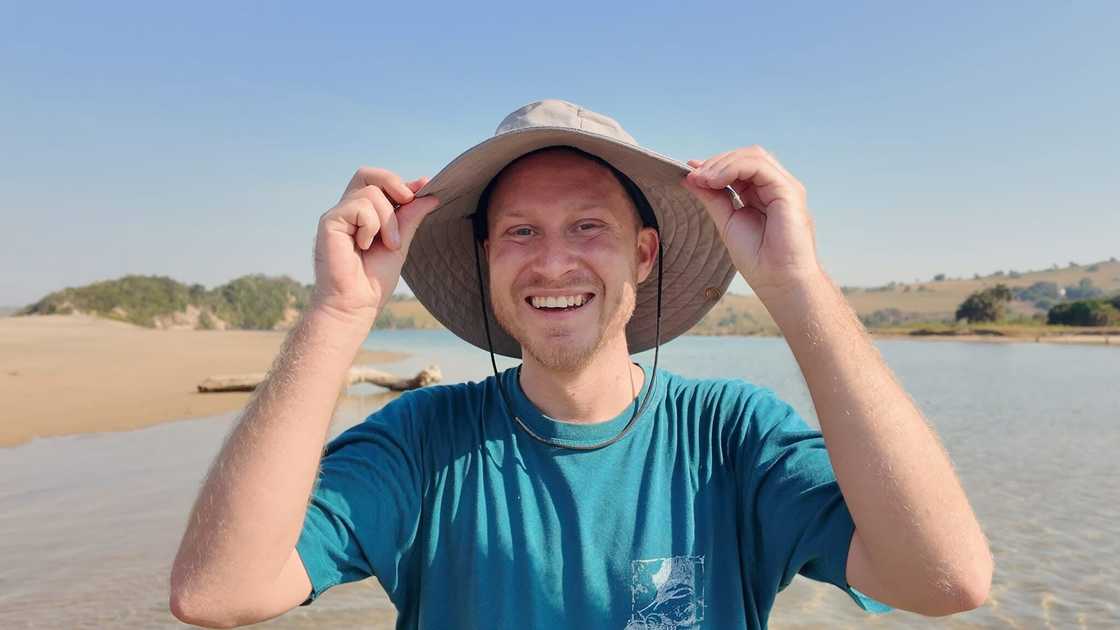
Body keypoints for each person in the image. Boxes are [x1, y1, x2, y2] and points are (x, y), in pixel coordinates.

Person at [170, 100, 992, 629]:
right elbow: (218, 591)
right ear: (486, 258)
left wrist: (798, 286)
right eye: (520, 232)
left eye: (588, 227)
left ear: (643, 254)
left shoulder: (732, 438)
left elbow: (945, 579)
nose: (552, 263)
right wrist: (336, 314)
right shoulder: (421, 444)